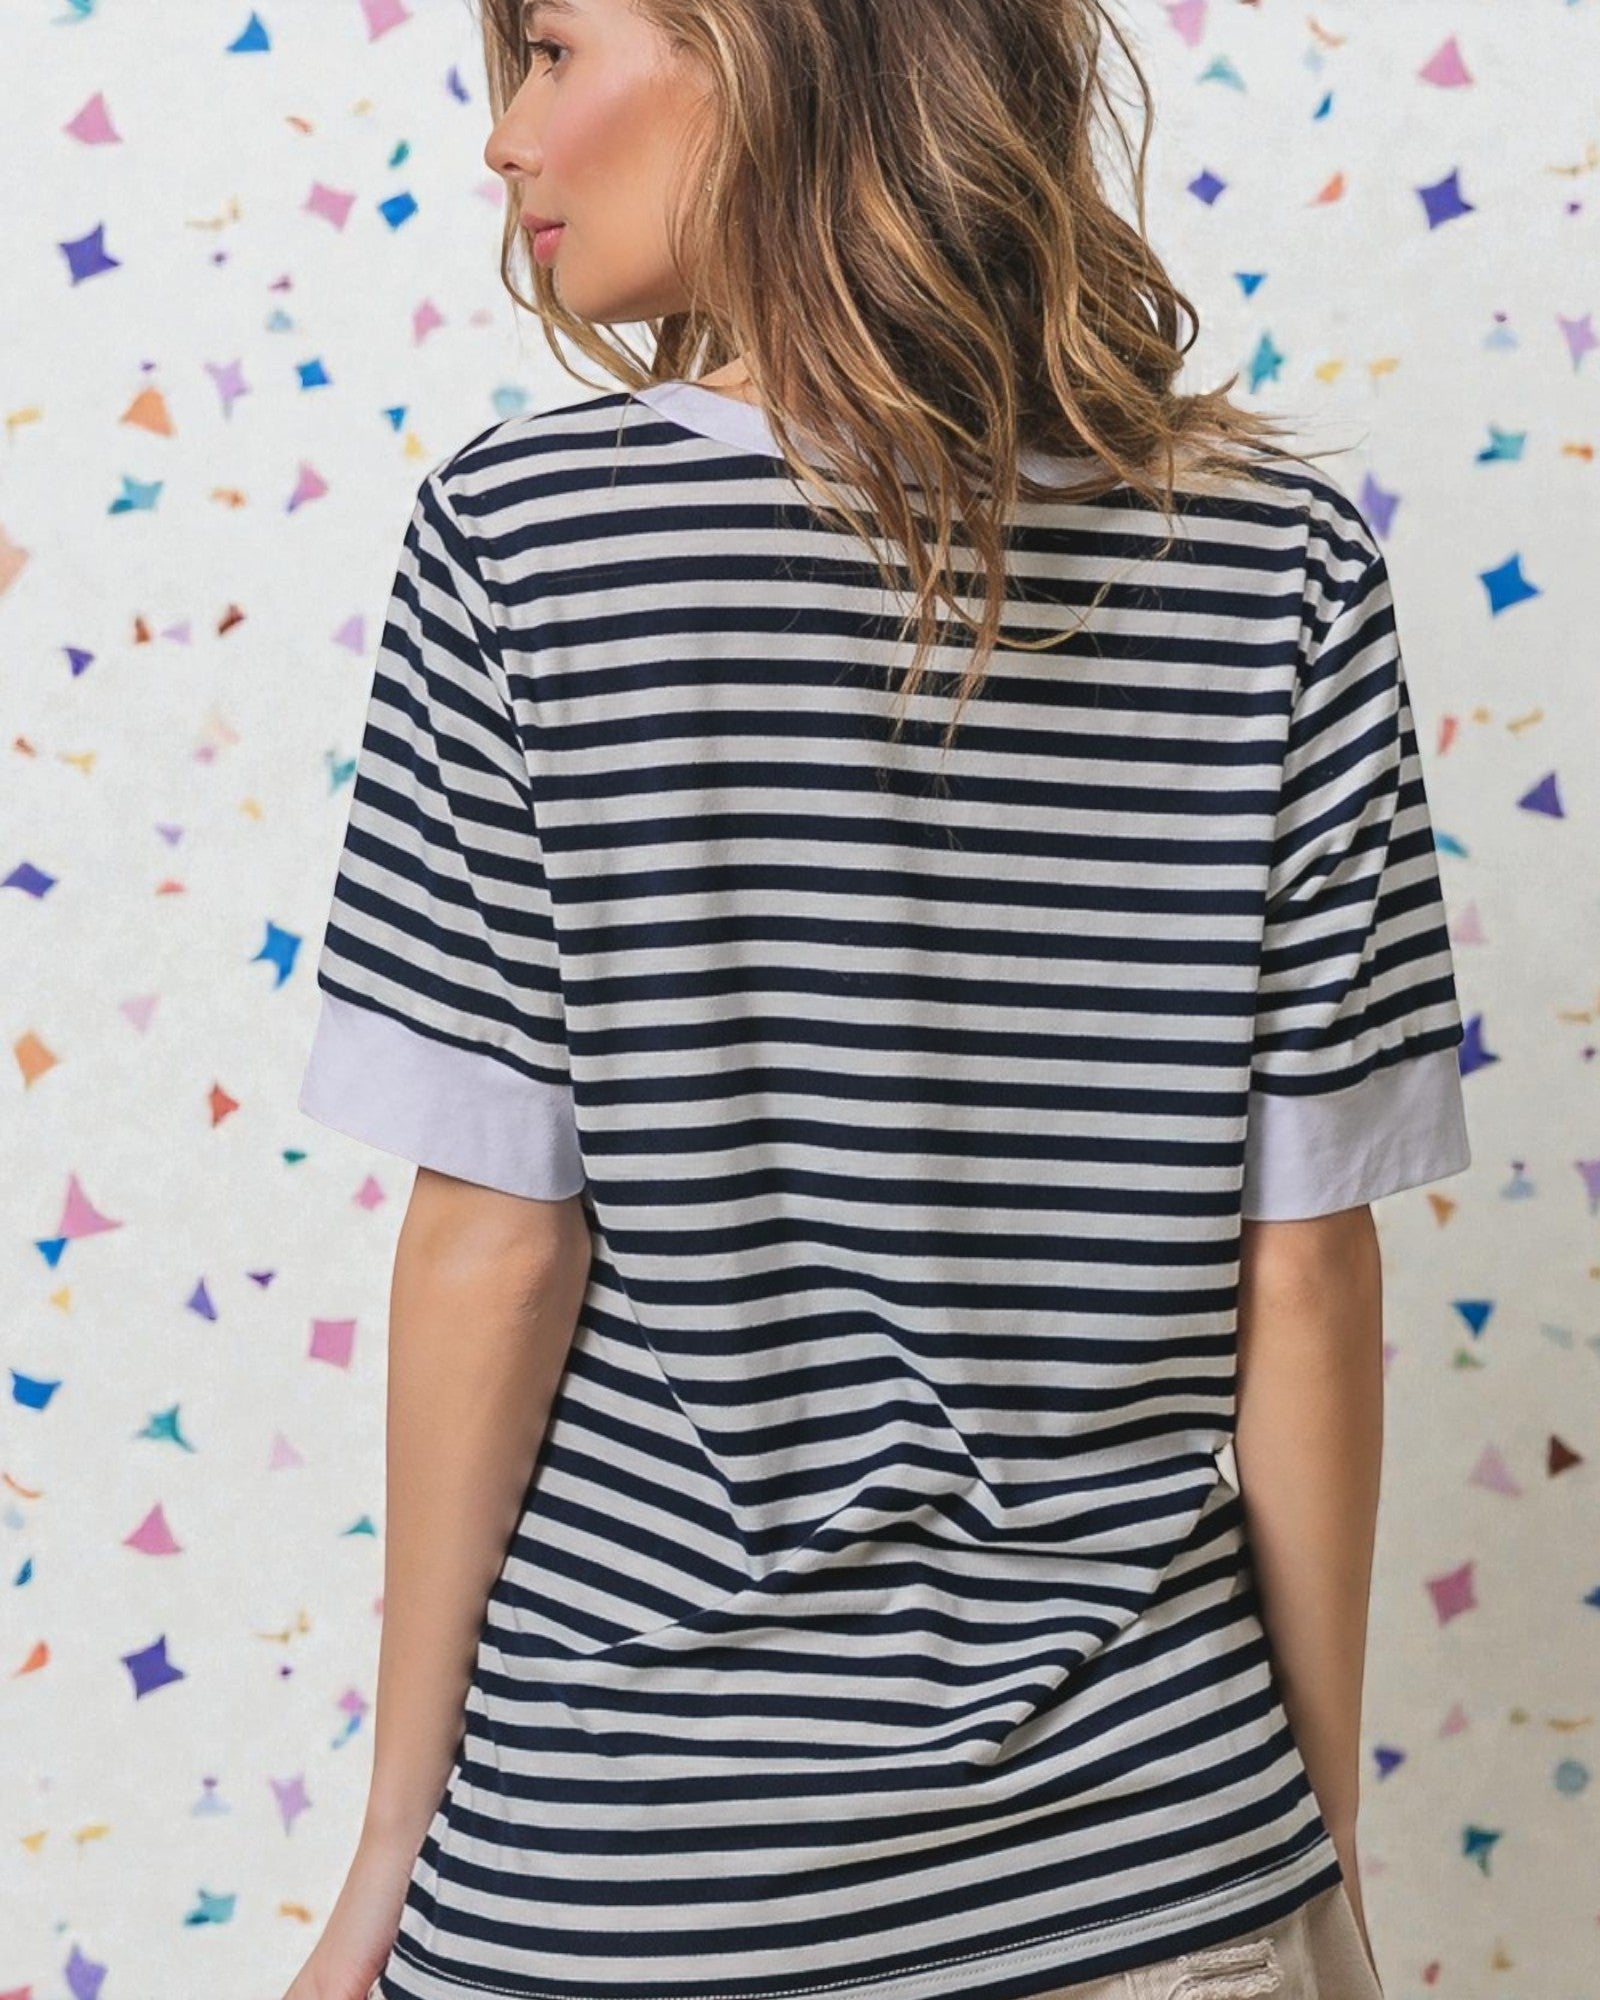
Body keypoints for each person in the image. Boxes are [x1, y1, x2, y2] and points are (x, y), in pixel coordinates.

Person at [282, 2, 1472, 1997]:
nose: (504, 137)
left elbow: (497, 1248)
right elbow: (1305, 1279)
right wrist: (1313, 1847)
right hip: (1161, 1861)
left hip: (633, 1880)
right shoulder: (1280, 568)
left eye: (552, 47)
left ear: (770, 45)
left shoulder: (524, 544)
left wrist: (387, 1852)